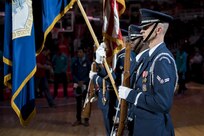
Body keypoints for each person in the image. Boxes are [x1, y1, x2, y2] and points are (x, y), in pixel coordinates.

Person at [118, 8, 178, 136]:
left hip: (153, 129)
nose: (141, 30)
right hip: (141, 125)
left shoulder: (162, 59)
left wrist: (131, 95)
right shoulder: (149, 57)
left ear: (158, 30)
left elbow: (163, 103)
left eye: (146, 27)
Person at [71, 47, 91, 127]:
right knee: (78, 103)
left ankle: (86, 120)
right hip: (77, 85)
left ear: (83, 53)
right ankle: (78, 119)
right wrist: (78, 81)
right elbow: (73, 73)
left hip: (86, 84)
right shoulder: (75, 62)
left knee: (86, 102)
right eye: (78, 52)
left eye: (80, 52)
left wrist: (84, 81)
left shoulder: (88, 62)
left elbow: (90, 73)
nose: (79, 53)